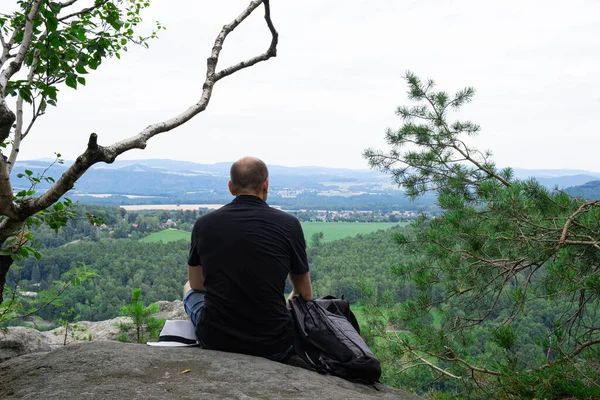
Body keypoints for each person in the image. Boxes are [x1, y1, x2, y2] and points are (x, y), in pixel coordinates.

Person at [183, 156, 312, 361]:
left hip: (216, 340)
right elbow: (304, 294)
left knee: (187, 287)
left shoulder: (204, 224)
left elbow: (198, 285)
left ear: (231, 187)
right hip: (274, 345)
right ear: (266, 184)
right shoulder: (289, 224)